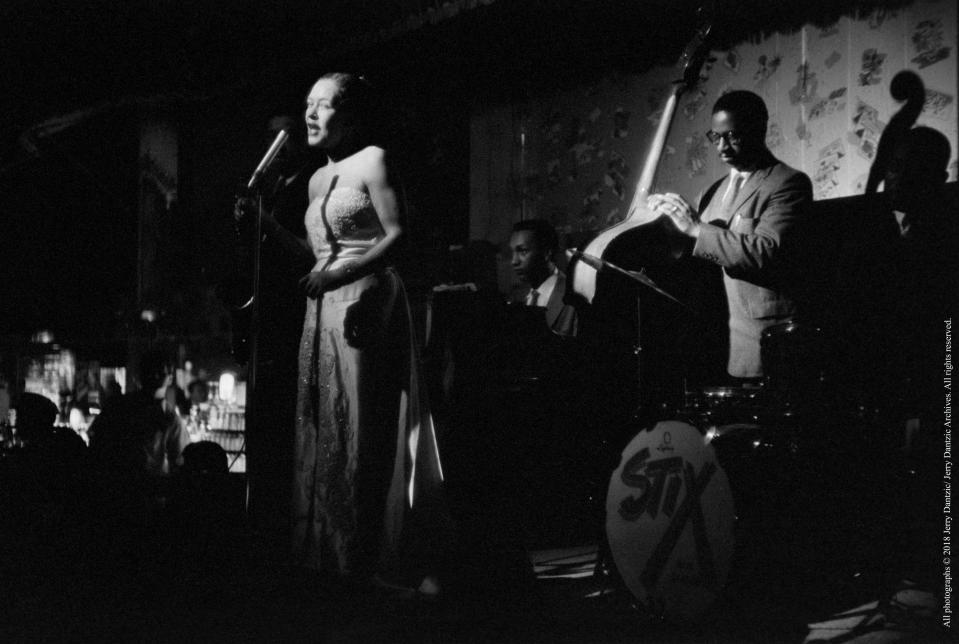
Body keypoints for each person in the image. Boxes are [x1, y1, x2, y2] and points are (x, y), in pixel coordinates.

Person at [291, 73, 444, 592]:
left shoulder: (374, 159)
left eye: (324, 105)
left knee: (363, 421)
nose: (310, 114)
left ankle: (366, 550)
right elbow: (314, 259)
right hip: (324, 309)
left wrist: (341, 275)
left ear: (349, 115)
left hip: (366, 299)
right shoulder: (315, 180)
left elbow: (398, 234)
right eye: (307, 104)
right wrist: (266, 225)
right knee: (325, 420)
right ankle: (326, 548)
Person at [648, 90, 812, 379]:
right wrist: (665, 223)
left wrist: (696, 228)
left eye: (732, 136)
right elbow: (700, 254)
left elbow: (764, 252)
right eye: (715, 136)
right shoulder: (714, 190)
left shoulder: (788, 183)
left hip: (765, 341)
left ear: (758, 130)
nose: (721, 146)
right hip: (716, 338)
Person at [509, 219, 578, 338]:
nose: (514, 261)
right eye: (513, 252)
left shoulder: (574, 297)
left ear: (546, 253)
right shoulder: (516, 295)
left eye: (523, 251)